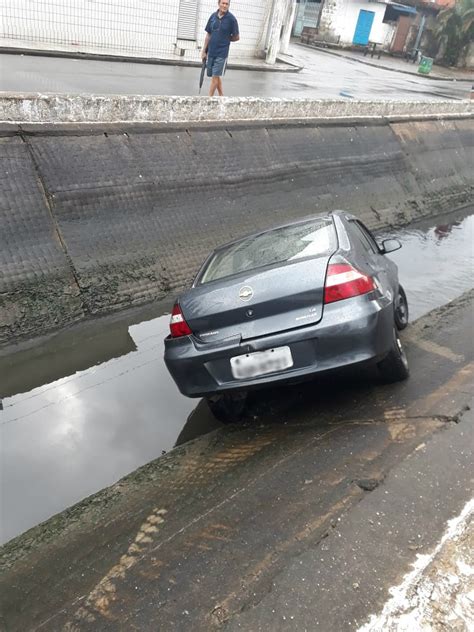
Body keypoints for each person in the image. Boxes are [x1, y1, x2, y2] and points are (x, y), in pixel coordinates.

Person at [202, 0, 239, 97]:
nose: (225, 5)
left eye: (227, 4)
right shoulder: (213, 17)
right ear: (218, 3)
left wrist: (226, 39)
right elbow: (208, 34)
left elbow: (236, 37)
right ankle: (221, 96)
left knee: (215, 77)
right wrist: (203, 51)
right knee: (215, 76)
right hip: (211, 51)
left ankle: (209, 99)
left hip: (222, 53)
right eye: (223, 3)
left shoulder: (232, 19)